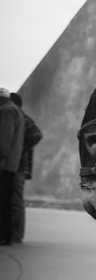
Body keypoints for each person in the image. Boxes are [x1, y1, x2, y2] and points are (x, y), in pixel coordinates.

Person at [9, 93, 42, 243]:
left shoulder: (21, 118)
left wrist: (21, 149)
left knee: (16, 201)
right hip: (17, 166)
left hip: (20, 167)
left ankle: (17, 234)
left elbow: (36, 135)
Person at [0, 88, 25, 246]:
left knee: (3, 201)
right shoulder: (15, 110)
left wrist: (1, 155)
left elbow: (5, 138)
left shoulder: (7, 110)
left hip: (4, 164)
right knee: (6, 201)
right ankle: (7, 235)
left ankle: (4, 235)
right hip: (11, 164)